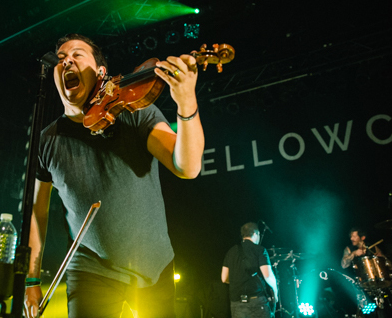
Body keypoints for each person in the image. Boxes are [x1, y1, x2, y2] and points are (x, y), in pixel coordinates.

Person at [24, 34, 205, 318]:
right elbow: (37, 213)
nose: (67, 61)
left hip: (154, 266)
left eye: (77, 54)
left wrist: (186, 102)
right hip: (89, 269)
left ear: (100, 72)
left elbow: (187, 167)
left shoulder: (135, 113)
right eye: (61, 58)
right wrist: (31, 279)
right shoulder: (46, 140)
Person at [221, 222, 279, 318]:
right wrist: (275, 292)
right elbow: (268, 276)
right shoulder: (260, 250)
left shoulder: (231, 251)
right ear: (256, 234)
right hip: (257, 302)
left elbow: (224, 278)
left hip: (236, 303)